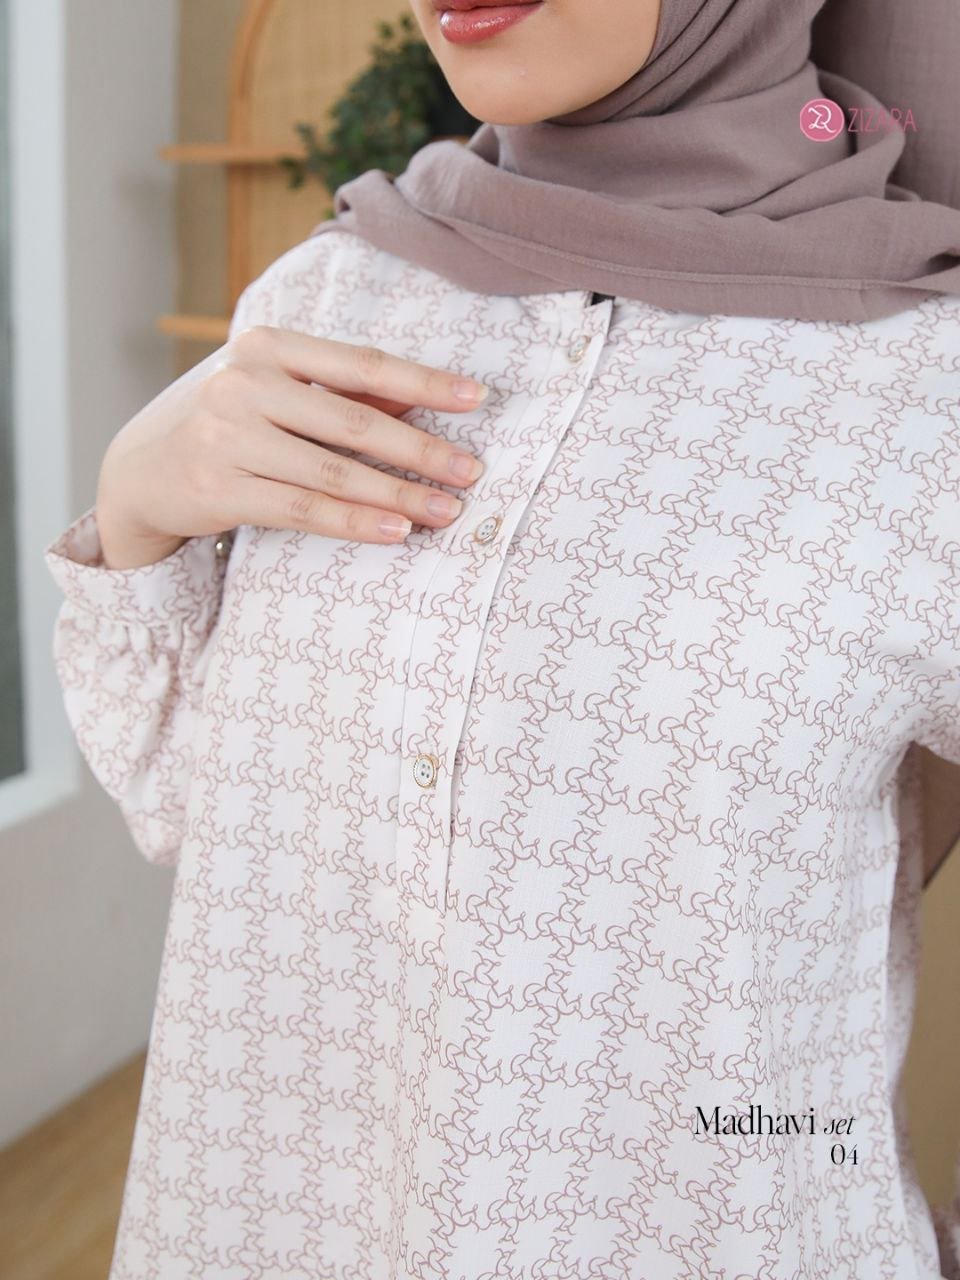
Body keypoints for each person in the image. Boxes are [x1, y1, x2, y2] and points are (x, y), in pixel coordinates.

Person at [43, 0, 960, 1276]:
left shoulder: (923, 389)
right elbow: (217, 826)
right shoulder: (322, 299)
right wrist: (136, 511)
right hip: (274, 1223)